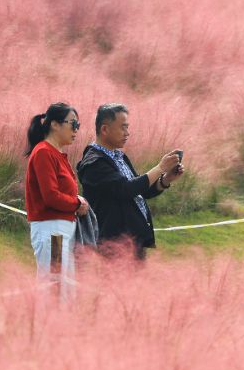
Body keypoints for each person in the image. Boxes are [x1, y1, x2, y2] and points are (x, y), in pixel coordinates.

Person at [77, 103, 183, 257]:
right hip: (113, 246)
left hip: (132, 243)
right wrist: (160, 168)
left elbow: (141, 190)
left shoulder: (119, 156)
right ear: (105, 129)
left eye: (127, 127)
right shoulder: (94, 163)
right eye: (123, 127)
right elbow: (125, 189)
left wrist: (166, 179)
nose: (127, 133)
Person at [24, 102, 90, 282]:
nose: (76, 129)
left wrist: (75, 201)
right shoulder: (44, 152)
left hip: (61, 230)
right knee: (54, 288)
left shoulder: (54, 153)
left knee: (65, 288)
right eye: (73, 123)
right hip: (52, 230)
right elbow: (51, 196)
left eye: (78, 125)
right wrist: (77, 203)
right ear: (54, 124)